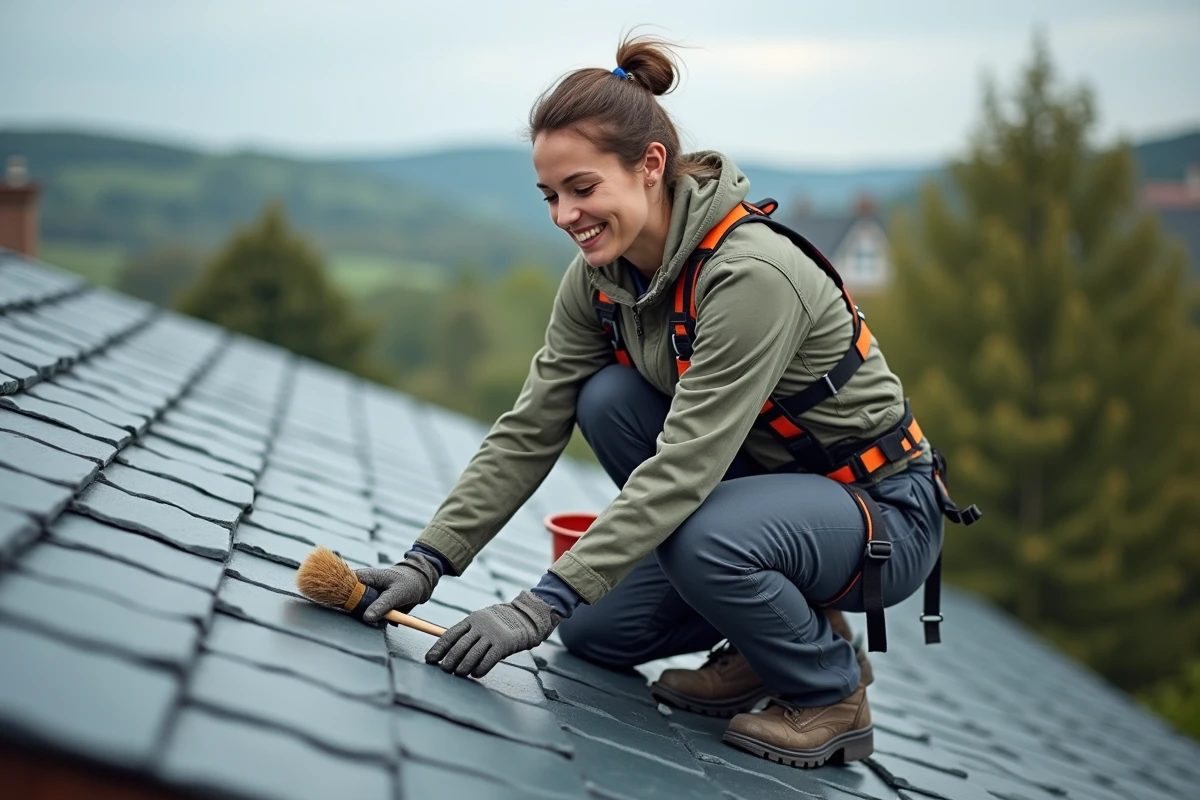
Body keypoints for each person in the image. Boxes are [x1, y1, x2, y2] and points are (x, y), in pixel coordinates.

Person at [353, 34, 973, 769]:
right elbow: (529, 428)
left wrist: (537, 604)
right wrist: (428, 560)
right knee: (596, 609)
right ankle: (771, 640)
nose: (564, 214)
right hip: (759, 498)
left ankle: (831, 691)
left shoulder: (750, 277)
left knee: (692, 539)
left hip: (880, 516)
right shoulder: (600, 279)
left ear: (650, 166)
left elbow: (684, 468)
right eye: (550, 196)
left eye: (582, 188)